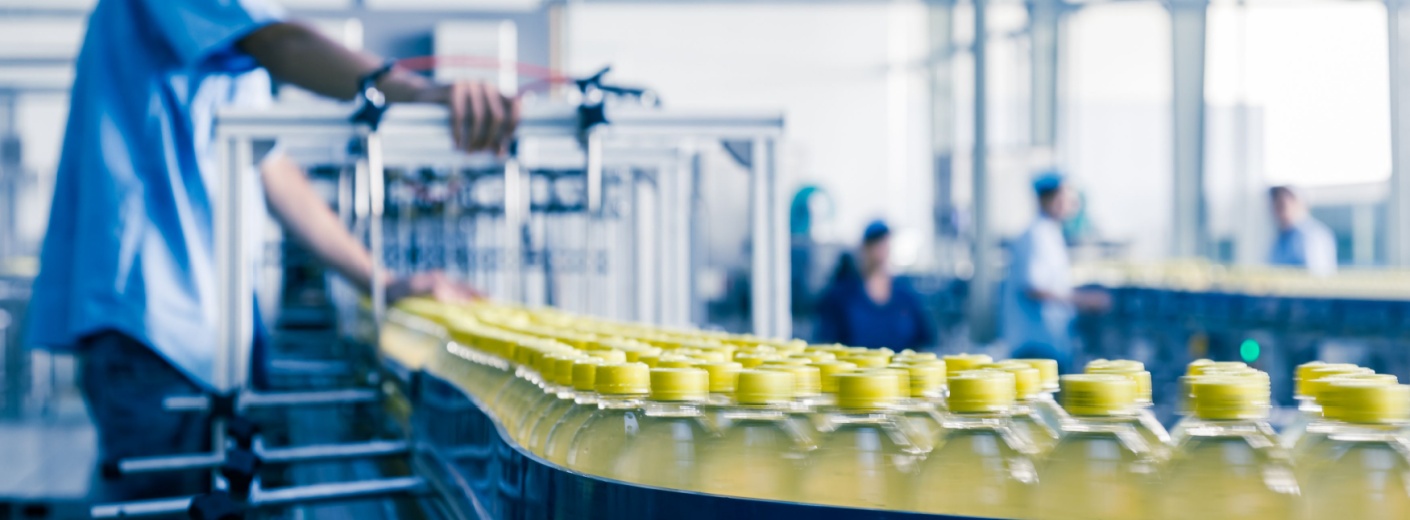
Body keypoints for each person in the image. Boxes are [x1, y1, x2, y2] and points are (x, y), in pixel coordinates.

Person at [27, 0, 516, 501]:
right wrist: (417, 90)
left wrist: (383, 281)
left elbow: (271, 166)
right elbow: (282, 44)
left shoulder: (236, 34)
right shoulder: (243, 27)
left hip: (195, 336)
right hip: (154, 328)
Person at [1001, 172, 1107, 372]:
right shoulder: (1035, 235)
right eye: (1068, 197)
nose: (1073, 204)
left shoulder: (1050, 232)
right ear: (1053, 199)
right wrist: (1084, 300)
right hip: (1035, 346)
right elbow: (1034, 288)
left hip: (1051, 343)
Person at [814, 220, 937, 350]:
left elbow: (925, 341)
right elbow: (826, 343)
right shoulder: (842, 297)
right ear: (864, 248)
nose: (880, 250)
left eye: (884, 243)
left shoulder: (906, 297)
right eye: (875, 244)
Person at [1268, 186, 1337, 276]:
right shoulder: (1281, 236)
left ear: (1301, 202)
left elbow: (1317, 278)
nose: (1277, 205)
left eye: (1283, 203)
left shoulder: (1313, 235)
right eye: (1275, 200)